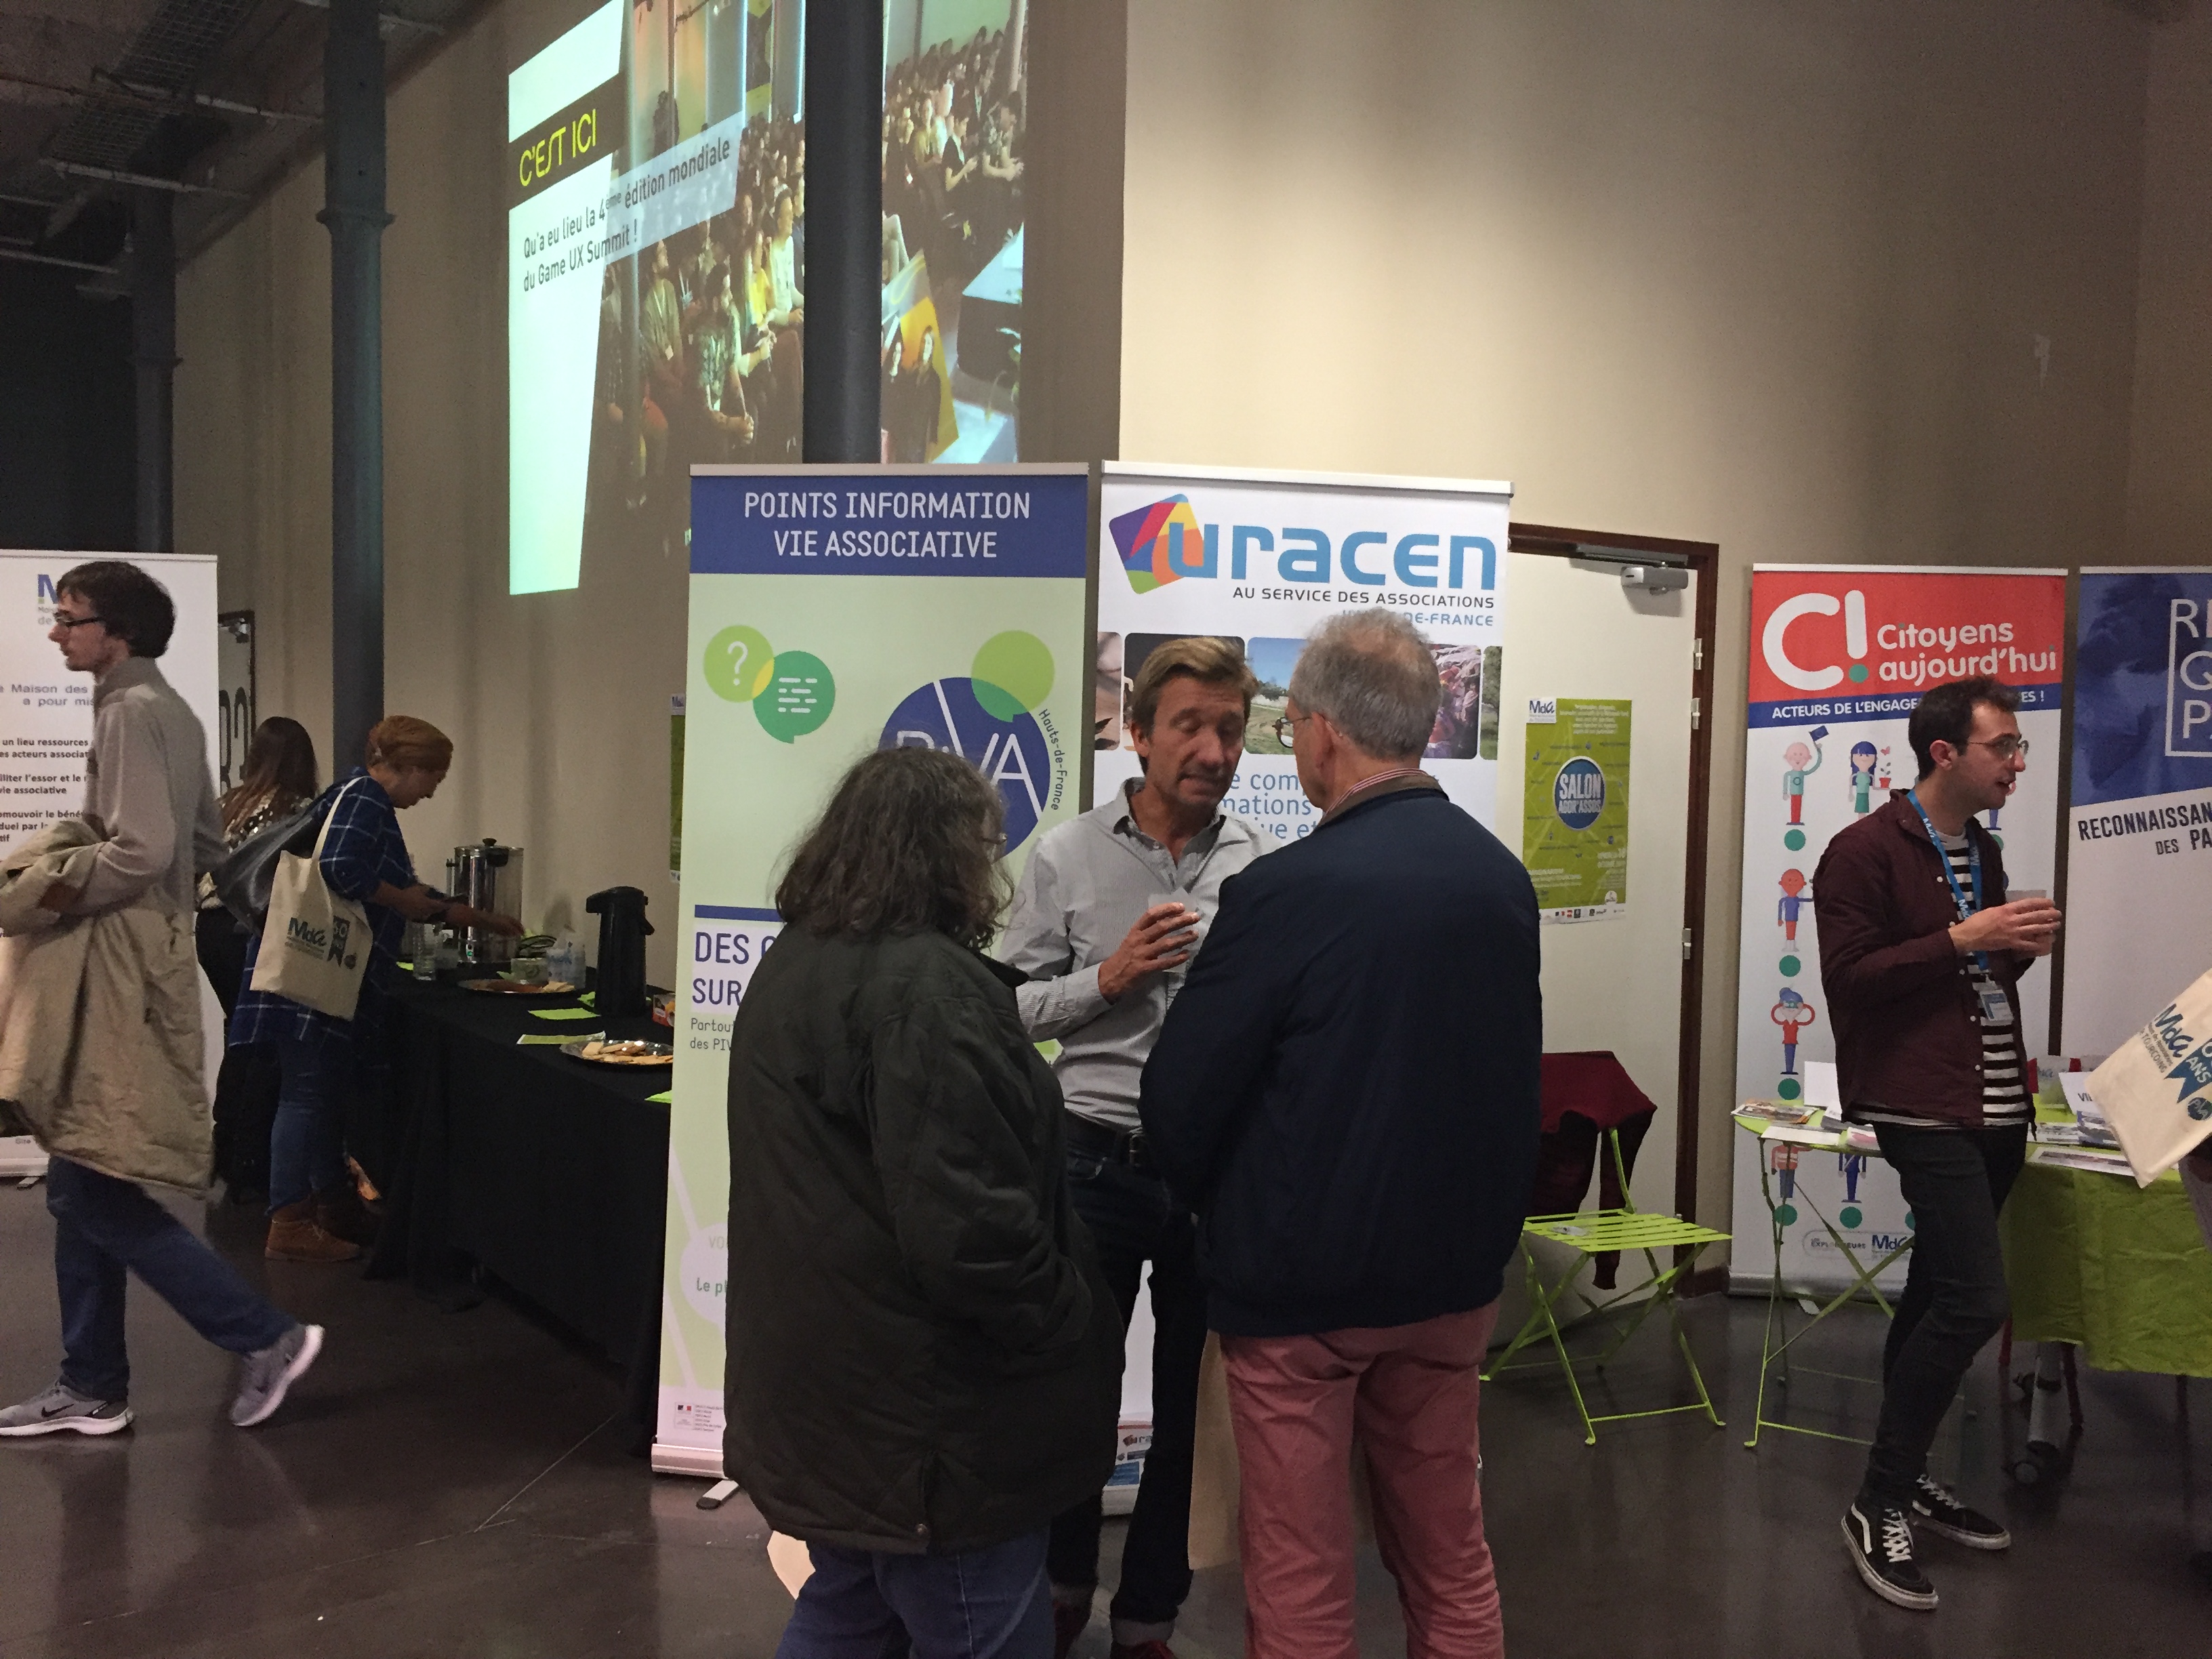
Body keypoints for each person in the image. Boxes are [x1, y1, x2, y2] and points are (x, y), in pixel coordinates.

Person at [1140, 608, 1540, 1659]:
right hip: (1453, 1287)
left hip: (1298, 1296)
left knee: (1302, 1578)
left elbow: (1180, 1101)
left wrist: (1217, 1210)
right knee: (1450, 1557)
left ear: (1318, 732)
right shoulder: (1500, 880)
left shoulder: (1283, 893)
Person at [722, 747, 1122, 1659]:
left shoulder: (797, 962)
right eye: (983, 845)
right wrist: (1070, 1321)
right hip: (928, 1424)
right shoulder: (929, 993)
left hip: (832, 1393)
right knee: (980, 1631)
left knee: (848, 1605)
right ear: (946, 853)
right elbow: (972, 1234)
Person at [0, 561, 323, 1437]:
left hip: (116, 965)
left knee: (88, 1186)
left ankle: (263, 1335)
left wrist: (43, 888)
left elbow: (141, 852)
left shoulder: (132, 713)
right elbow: (207, 844)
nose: (59, 633)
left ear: (120, 632)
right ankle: (92, 1381)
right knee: (81, 1171)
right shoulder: (167, 710)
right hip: (144, 959)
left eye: (71, 619)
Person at [1000, 636, 1273, 1659]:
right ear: (1141, 734)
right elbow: (1007, 1010)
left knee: (1190, 1417)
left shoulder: (1258, 865)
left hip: (1214, 1176)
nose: (1213, 750)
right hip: (1092, 1165)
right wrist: (1107, 980)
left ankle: (1150, 1617)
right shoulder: (1067, 856)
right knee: (1073, 1398)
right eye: (1191, 726)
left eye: (1230, 730)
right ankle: (1064, 1586)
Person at [1814, 676, 2061, 1611]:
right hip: (1920, 1104)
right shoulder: (1861, 851)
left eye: (2019, 746)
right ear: (1945, 754)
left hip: (1994, 1104)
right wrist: (1965, 937)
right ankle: (1878, 1499)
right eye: (2004, 746)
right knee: (1976, 1299)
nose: (2018, 762)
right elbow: (1851, 980)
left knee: (1932, 1293)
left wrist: (2009, 947)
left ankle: (1911, 1478)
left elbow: (1970, 978)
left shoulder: (1981, 849)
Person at [230, 716, 520, 1264]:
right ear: (409, 767)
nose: (431, 792)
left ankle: (330, 1206)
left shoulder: (349, 794)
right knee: (306, 1095)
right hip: (313, 975)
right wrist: (404, 901)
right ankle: (289, 1221)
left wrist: (470, 916)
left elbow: (393, 882)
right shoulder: (367, 798)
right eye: (433, 777)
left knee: (316, 1094)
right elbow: (343, 870)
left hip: (306, 974)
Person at [199, 715, 321, 1204]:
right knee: (267, 1049)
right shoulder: (298, 811)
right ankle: (252, 1162)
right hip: (252, 932)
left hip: (210, 931)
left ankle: (225, 1147)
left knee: (240, 1037)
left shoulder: (227, 804)